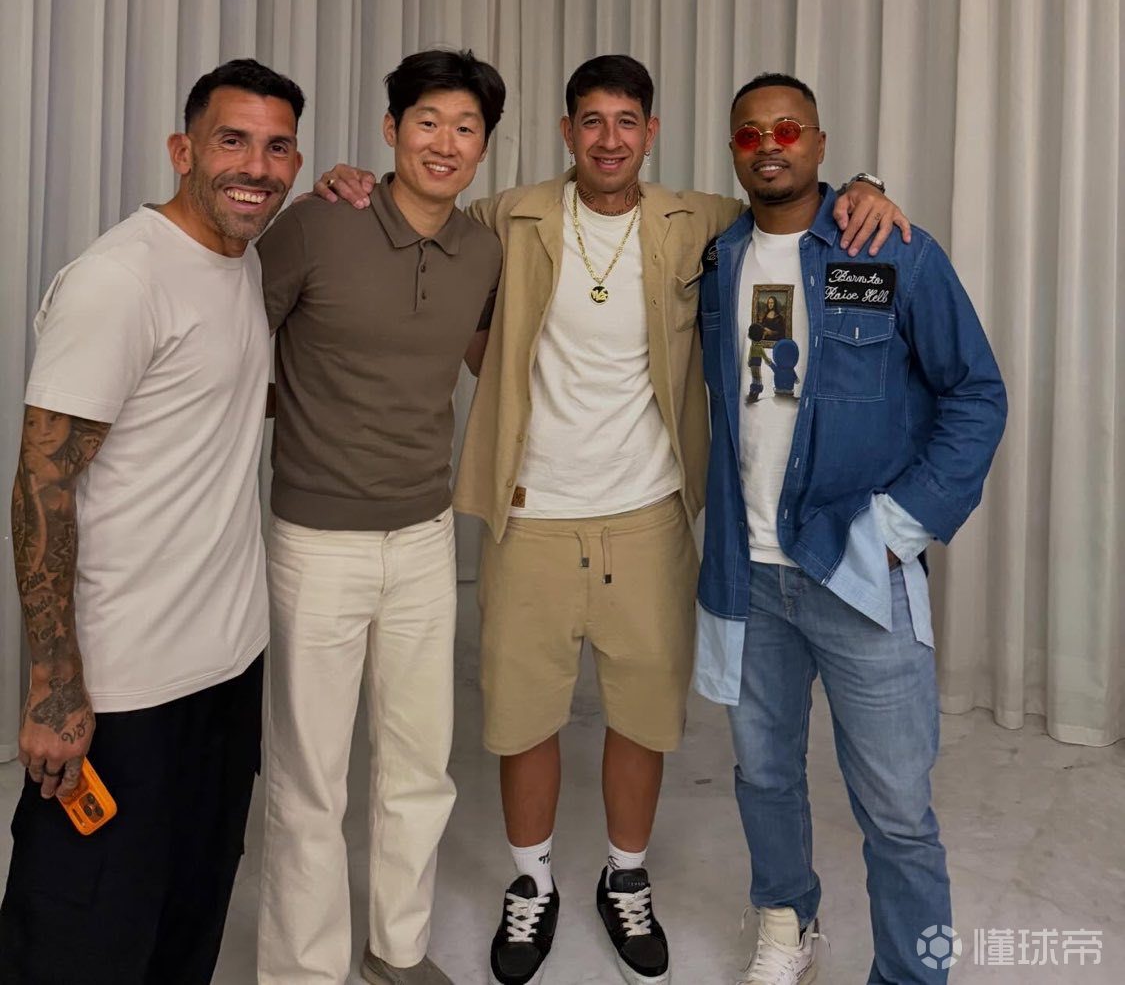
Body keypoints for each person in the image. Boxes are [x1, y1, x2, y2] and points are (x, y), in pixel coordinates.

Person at [316, 55, 908, 985]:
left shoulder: (695, 222)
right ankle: (531, 881)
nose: (608, 139)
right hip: (530, 515)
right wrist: (351, 184)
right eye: (590, 121)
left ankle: (624, 875)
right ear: (566, 132)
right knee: (523, 718)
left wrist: (862, 187)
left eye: (626, 121)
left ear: (651, 133)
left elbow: (787, 203)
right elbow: (417, 219)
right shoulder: (507, 216)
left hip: (647, 516)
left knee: (642, 715)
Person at [694, 73, 1007, 985]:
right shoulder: (716, 258)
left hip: (858, 570)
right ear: (732, 149)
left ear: (821, 144)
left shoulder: (891, 251)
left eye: (788, 129)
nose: (769, 145)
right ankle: (788, 922)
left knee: (897, 809)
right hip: (747, 575)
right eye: (749, 133)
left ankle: (912, 971)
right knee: (763, 777)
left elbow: (975, 393)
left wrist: (899, 527)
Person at [0, 58, 305, 985]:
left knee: (189, 917)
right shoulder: (120, 279)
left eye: (278, 148)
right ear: (182, 149)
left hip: (226, 666)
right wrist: (54, 684)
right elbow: (42, 484)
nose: (255, 167)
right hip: (125, 684)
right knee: (82, 939)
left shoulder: (241, 263)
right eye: (231, 141)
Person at [255, 50, 506, 985]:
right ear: (392, 129)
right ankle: (303, 972)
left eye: (466, 128)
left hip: (426, 537)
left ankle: (396, 952)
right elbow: (232, 348)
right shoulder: (317, 224)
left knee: (417, 768)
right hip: (315, 543)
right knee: (309, 780)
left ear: (483, 146)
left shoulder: (482, 249)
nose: (445, 142)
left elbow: (489, 358)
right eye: (427, 121)